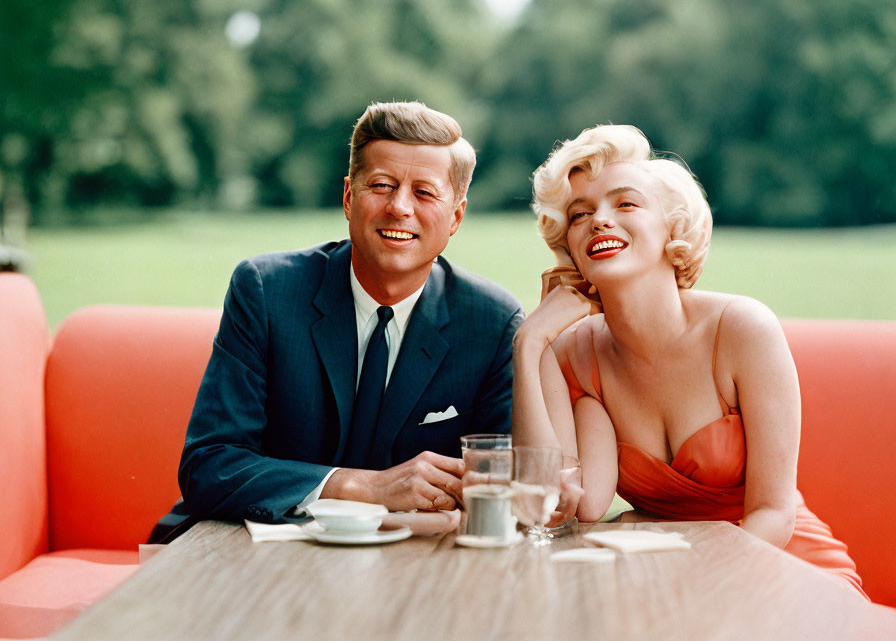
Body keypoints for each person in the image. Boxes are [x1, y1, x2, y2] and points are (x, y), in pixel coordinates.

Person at [512, 124, 867, 598]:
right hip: (669, 581)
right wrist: (530, 341)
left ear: (672, 228)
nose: (599, 220)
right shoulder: (571, 354)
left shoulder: (743, 329)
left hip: (782, 568)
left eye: (626, 204)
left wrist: (691, 585)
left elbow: (773, 514)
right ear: (569, 250)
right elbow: (568, 503)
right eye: (580, 214)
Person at [150, 101, 523, 541]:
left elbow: (505, 489)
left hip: (409, 560)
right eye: (382, 185)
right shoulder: (266, 291)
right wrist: (358, 486)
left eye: (424, 192)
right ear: (349, 197)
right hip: (251, 552)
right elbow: (209, 465)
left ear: (456, 216)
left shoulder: (493, 322)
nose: (400, 207)